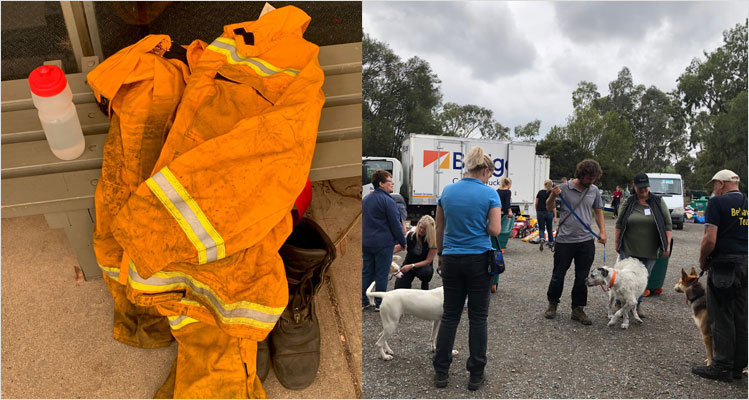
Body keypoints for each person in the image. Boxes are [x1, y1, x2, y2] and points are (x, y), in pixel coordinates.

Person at [432, 146, 501, 391]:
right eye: (489, 174)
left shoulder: (447, 191)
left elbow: (439, 228)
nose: (489, 179)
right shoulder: (490, 194)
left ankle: (441, 371)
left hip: (451, 257)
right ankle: (475, 373)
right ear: (484, 170)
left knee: (450, 316)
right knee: (478, 318)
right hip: (478, 259)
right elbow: (494, 230)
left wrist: (440, 254)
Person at [692, 169, 747, 382]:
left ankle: (722, 366)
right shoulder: (747, 202)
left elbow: (710, 238)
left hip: (724, 265)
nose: (713, 189)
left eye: (714, 185)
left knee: (721, 316)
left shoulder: (717, 203)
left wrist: (702, 258)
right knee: (740, 316)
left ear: (721, 184)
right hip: (745, 263)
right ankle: (738, 366)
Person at [544, 159, 607, 325]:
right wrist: (552, 195)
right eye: (588, 178)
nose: (591, 181)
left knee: (582, 277)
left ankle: (578, 309)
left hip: (586, 241)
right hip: (565, 240)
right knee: (558, 274)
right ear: (580, 175)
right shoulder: (564, 188)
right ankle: (553, 304)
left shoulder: (594, 190)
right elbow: (549, 207)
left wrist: (602, 231)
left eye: (594, 178)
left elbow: (598, 212)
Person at [614, 173, 672, 316]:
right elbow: (619, 223)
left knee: (642, 280)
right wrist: (616, 241)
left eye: (645, 186)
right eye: (640, 187)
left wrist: (667, 245)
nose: (643, 189)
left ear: (648, 186)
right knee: (624, 277)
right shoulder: (629, 202)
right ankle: (619, 304)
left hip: (650, 249)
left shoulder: (658, 202)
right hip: (629, 246)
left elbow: (668, 224)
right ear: (634, 187)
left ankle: (636, 305)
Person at [362, 170, 407, 311]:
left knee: (367, 271)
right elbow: (395, 224)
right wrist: (402, 241)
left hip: (366, 242)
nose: (392, 183)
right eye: (389, 181)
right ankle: (380, 303)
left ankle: (363, 301)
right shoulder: (388, 201)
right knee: (382, 273)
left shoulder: (366, 199)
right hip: (383, 243)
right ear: (381, 183)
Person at [394, 215, 438, 290]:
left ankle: (425, 286)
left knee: (426, 273)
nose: (421, 230)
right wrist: (386, 253)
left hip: (423, 265)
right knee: (399, 287)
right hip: (409, 262)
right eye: (420, 227)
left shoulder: (433, 240)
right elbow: (400, 247)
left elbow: (428, 261)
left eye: (424, 229)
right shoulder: (411, 235)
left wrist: (411, 266)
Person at [491, 178, 513, 292]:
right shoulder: (507, 192)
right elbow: (507, 203)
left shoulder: (496, 191)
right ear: (508, 184)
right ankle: (501, 247)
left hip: (496, 213)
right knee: (504, 231)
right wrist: (509, 211)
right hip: (503, 213)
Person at [536, 179, 557, 251]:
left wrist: (537, 210)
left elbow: (536, 203)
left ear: (544, 184)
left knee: (541, 228)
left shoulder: (540, 192)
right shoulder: (551, 193)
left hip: (540, 212)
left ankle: (542, 238)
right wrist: (555, 216)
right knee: (549, 228)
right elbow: (553, 205)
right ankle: (551, 242)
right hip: (549, 212)